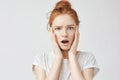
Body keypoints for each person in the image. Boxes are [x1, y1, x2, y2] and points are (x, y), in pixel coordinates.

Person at [32, 0, 99, 80]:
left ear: (76, 30)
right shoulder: (41, 60)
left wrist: (72, 56)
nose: (64, 34)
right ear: (51, 32)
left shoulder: (87, 58)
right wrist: (58, 57)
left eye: (70, 28)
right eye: (58, 28)